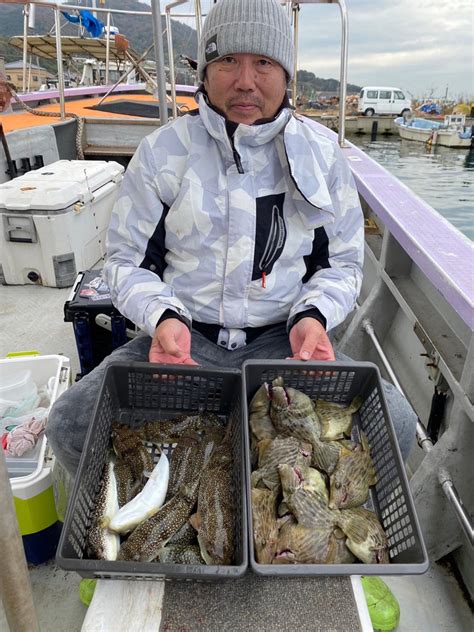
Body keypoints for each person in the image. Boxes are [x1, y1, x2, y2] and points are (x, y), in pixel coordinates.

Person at [47, 0, 416, 475]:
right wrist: (162, 319)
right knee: (71, 425)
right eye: (228, 61)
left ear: (286, 75)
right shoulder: (163, 151)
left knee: (397, 423)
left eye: (263, 62)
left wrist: (314, 316)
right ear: (205, 72)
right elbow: (126, 261)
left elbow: (342, 265)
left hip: (284, 345)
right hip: (183, 343)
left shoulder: (323, 157)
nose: (245, 80)